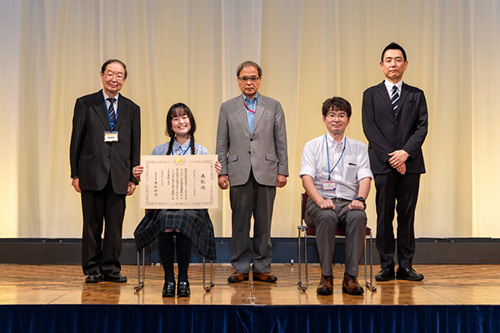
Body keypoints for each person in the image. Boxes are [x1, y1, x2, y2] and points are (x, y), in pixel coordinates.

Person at [133, 103, 220, 297]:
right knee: (166, 222)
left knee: (182, 221)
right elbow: (152, 184)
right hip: (164, 207)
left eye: (184, 116)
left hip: (192, 209)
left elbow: (206, 188)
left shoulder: (203, 152)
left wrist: (213, 173)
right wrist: (141, 176)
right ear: (170, 124)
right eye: (175, 118)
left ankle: (183, 277)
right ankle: (168, 279)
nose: (180, 121)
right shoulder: (159, 151)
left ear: (191, 121)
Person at [216, 61, 288, 283]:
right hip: (238, 171)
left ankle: (262, 266)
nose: (249, 82)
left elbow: (281, 140)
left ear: (260, 80)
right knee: (240, 222)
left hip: (266, 169)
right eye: (244, 78)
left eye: (253, 78)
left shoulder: (273, 106)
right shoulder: (227, 107)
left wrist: (283, 169)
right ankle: (240, 266)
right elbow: (221, 143)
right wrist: (222, 172)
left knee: (264, 222)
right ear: (238, 81)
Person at [70, 59, 141, 283]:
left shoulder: (132, 108)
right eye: (110, 74)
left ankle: (110, 268)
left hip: (119, 175)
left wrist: (132, 177)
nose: (114, 79)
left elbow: (134, 144)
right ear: (102, 75)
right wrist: (75, 174)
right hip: (91, 173)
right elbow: (76, 141)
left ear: (124, 80)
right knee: (91, 224)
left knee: (114, 225)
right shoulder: (85, 103)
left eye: (119, 75)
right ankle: (92, 269)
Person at [362, 42, 428, 282]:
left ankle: (406, 266)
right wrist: (392, 156)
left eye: (398, 60)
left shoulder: (416, 94)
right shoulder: (370, 94)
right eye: (389, 60)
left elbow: (422, 128)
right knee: (384, 214)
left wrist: (405, 154)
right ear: (382, 65)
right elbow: (370, 129)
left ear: (406, 64)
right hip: (382, 164)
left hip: (411, 165)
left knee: (407, 215)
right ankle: (387, 265)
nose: (393, 64)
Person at [300, 97, 372, 295]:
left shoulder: (359, 148)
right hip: (318, 203)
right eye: (332, 115)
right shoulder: (312, 146)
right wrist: (320, 200)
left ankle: (351, 277)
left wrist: (360, 199)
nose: (336, 119)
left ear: (348, 120)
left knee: (359, 216)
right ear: (324, 119)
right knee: (326, 215)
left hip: (349, 203)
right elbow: (306, 178)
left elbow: (366, 178)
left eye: (341, 115)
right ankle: (326, 276)